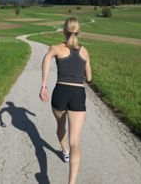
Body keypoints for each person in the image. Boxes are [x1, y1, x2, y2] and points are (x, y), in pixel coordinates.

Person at [39, 17, 92, 184]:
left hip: (60, 91)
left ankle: (65, 151)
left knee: (60, 126)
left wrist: (43, 85)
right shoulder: (85, 52)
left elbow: (46, 59)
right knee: (75, 141)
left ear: (64, 30)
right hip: (78, 93)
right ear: (79, 31)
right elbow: (89, 78)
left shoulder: (55, 48)